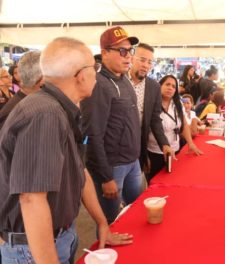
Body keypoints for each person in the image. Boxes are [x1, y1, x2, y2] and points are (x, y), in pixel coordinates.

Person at [0, 37, 132, 264]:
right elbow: (31, 198)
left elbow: (78, 171)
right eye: (94, 67)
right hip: (34, 248)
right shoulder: (45, 114)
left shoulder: (61, 108)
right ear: (80, 75)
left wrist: (102, 223)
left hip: (61, 235)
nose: (97, 73)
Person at [81, 26, 143, 225]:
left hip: (132, 162)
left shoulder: (124, 80)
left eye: (130, 50)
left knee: (136, 212)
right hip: (112, 167)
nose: (128, 56)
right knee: (110, 222)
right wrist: (106, 177)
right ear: (105, 53)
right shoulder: (98, 85)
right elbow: (92, 134)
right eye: (122, 51)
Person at [128, 43, 174, 177]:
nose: (146, 65)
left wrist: (164, 144)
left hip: (139, 149)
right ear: (131, 58)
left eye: (150, 62)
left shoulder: (153, 87)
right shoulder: (120, 82)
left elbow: (155, 120)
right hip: (116, 153)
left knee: (137, 194)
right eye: (142, 60)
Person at [146, 75, 202, 183]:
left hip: (176, 150)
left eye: (173, 86)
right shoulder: (151, 104)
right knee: (156, 184)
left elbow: (184, 124)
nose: (170, 88)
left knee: (172, 181)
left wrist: (190, 143)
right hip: (156, 153)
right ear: (159, 86)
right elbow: (143, 130)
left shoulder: (177, 103)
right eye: (167, 84)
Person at [0, 51, 43, 129]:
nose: (10, 78)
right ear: (41, 78)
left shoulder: (23, 101)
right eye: (6, 77)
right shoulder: (16, 110)